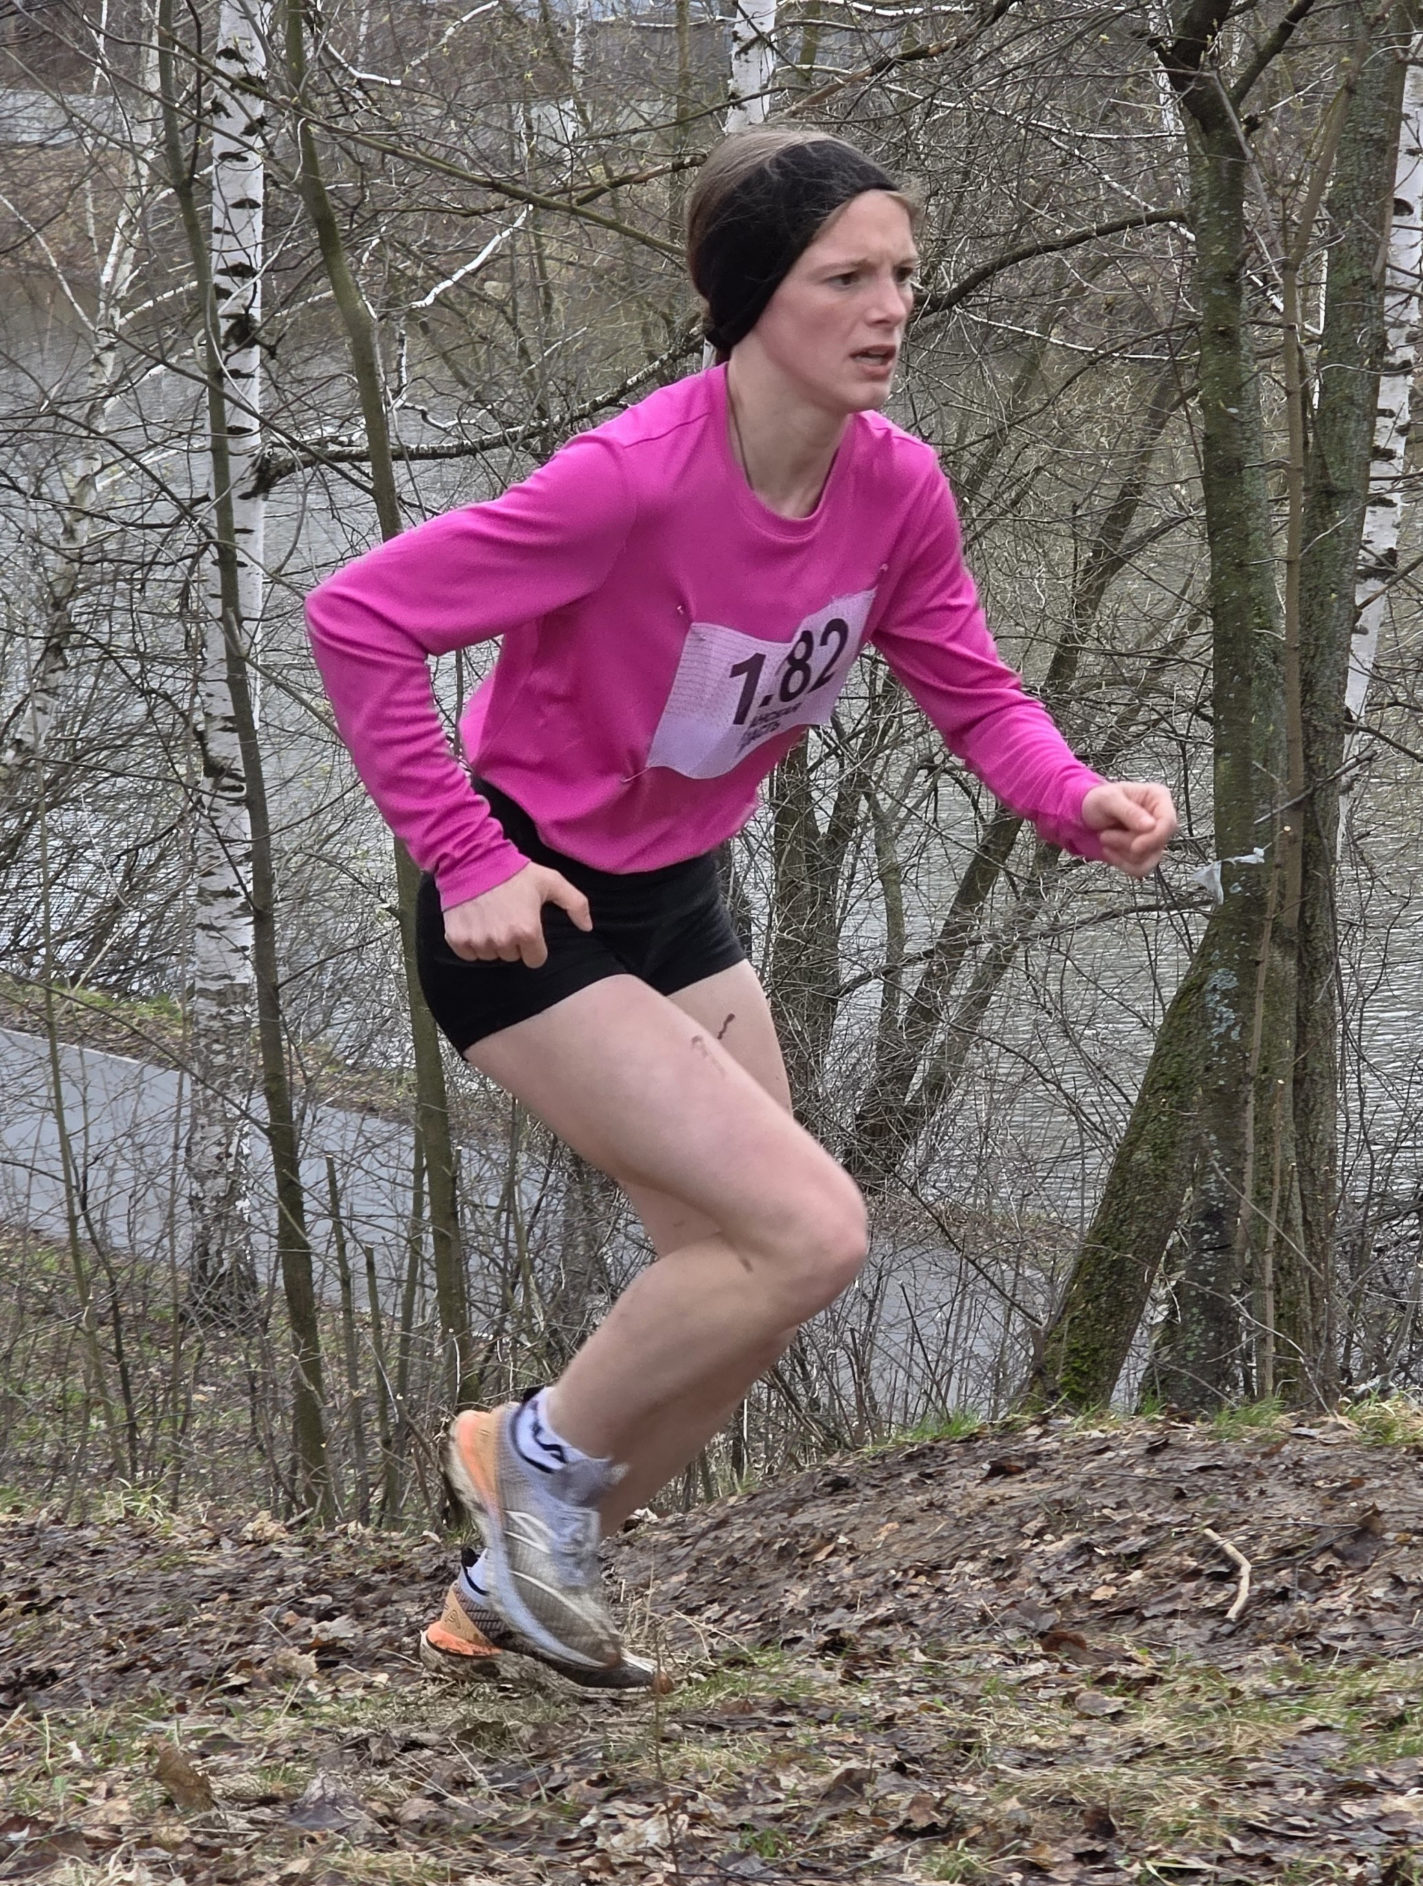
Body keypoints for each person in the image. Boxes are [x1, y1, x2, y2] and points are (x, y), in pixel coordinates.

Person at [306, 126, 1177, 1690]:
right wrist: (466, 856)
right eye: (846, 278)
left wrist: (1075, 796)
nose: (889, 308)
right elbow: (358, 615)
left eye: (902, 275)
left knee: (755, 1293)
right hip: (530, 911)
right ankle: (526, 1455)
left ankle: (514, 1588)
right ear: (752, 294)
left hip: (678, 906)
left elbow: (973, 686)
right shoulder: (630, 482)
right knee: (811, 1230)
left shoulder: (897, 488)